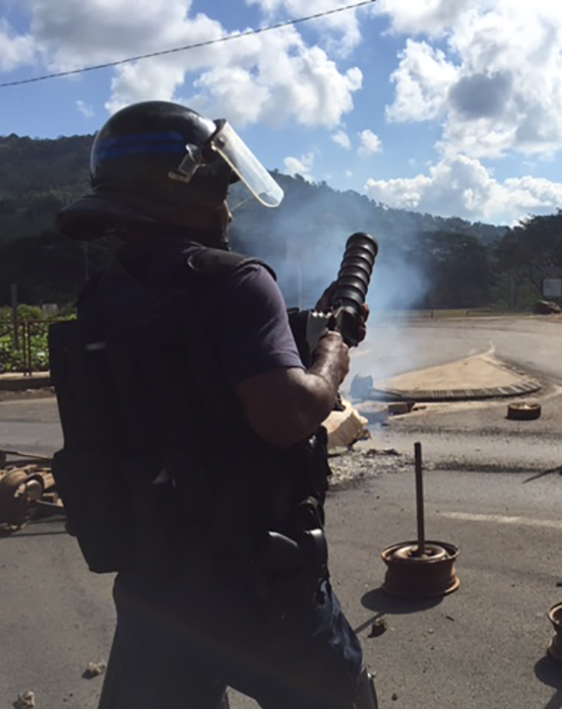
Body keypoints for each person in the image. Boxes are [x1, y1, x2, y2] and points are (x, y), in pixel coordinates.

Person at [47, 101, 378, 709]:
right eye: (222, 192)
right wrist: (330, 356)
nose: (227, 210)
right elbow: (286, 415)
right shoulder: (238, 282)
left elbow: (182, 363)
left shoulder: (104, 293)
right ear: (187, 188)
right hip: (260, 582)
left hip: (154, 579)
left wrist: (298, 327)